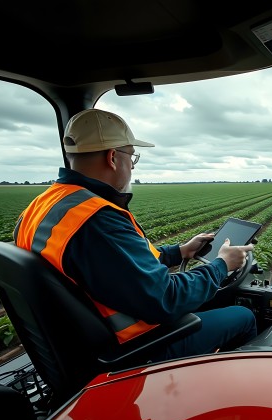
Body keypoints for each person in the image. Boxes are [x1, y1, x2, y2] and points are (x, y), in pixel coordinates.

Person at [13, 108, 257, 360]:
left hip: (77, 346)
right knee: (244, 316)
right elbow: (166, 299)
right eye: (132, 157)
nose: (132, 166)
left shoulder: (42, 207)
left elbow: (114, 268)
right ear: (112, 157)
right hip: (139, 349)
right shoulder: (97, 220)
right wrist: (222, 265)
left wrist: (180, 252)